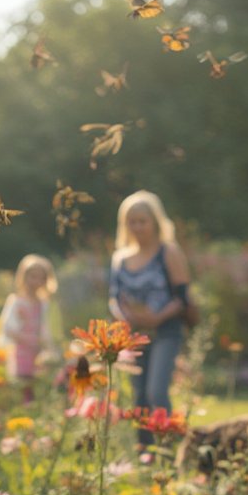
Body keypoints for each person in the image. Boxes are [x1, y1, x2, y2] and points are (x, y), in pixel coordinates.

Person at [108, 190, 191, 454]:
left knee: (157, 392)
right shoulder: (120, 257)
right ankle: (144, 452)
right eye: (132, 221)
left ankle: (168, 449)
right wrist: (126, 317)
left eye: (142, 220)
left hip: (166, 330)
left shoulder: (169, 252)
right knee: (139, 397)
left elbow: (182, 298)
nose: (138, 226)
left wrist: (157, 317)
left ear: (155, 221)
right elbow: (114, 298)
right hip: (134, 334)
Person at [0, 254, 58, 403]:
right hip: (21, 351)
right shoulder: (16, 301)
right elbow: (6, 327)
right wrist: (26, 339)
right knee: (21, 384)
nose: (36, 281)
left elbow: (46, 329)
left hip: (37, 352)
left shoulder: (43, 304)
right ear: (23, 277)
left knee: (35, 385)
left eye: (41, 278)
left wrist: (48, 348)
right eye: (33, 276)